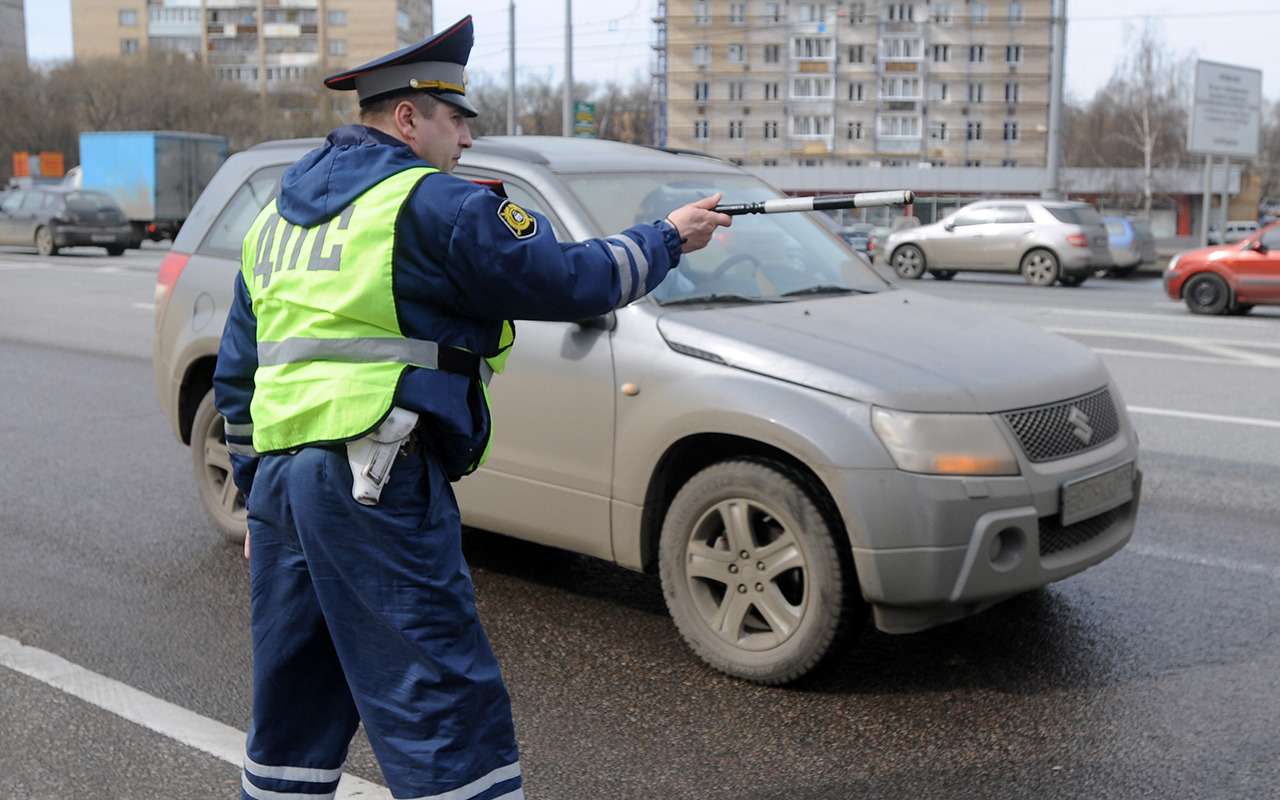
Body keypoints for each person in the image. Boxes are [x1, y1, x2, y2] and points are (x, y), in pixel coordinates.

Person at [212, 15, 730, 800]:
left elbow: (240, 376)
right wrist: (668, 236)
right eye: (455, 119)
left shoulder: (273, 222)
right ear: (408, 118)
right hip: (374, 478)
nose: (466, 139)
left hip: (284, 489)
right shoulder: (434, 204)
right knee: (441, 703)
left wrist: (255, 497)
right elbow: (572, 279)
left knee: (295, 700)